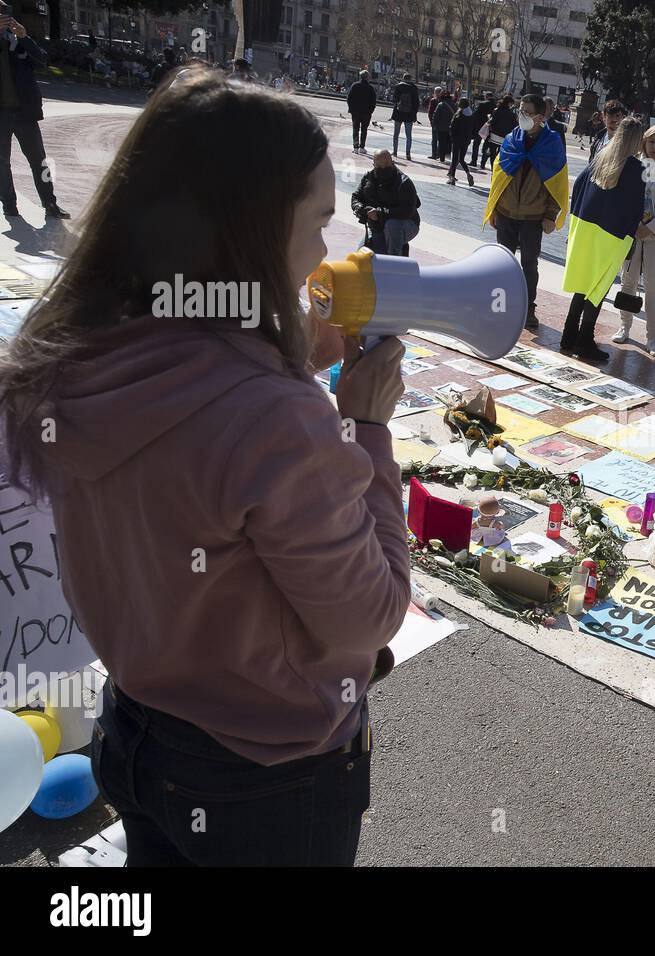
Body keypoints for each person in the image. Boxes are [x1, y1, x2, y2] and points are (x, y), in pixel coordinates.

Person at [0, 68, 407, 866]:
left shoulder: (74, 351)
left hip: (142, 729)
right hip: (268, 777)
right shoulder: (274, 418)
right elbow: (370, 613)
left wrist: (278, 356)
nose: (326, 251)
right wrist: (364, 425)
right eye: (319, 222)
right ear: (252, 230)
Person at [561, 116, 646, 364]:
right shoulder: (637, 168)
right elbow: (637, 207)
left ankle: (568, 335)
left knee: (582, 284)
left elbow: (578, 185)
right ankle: (585, 339)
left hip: (585, 227)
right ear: (637, 140)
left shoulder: (602, 157)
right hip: (612, 234)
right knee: (598, 289)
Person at [484, 93, 567, 330]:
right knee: (502, 264)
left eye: (527, 113)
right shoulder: (511, 139)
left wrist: (551, 214)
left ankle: (528, 309)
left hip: (533, 216)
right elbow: (499, 175)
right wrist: (494, 208)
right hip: (507, 212)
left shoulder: (552, 144)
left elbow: (557, 182)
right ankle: (498, 307)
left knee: (529, 264)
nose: (522, 116)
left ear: (541, 117)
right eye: (520, 111)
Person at [614, 124, 655, 358]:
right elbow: (625, 197)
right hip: (633, 232)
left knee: (653, 287)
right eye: (652, 142)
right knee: (628, 282)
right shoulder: (634, 164)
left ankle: (652, 338)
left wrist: (650, 228)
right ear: (644, 142)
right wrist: (635, 225)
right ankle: (624, 326)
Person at [0, 13, 69, 219]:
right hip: (1, 114)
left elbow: (42, 60)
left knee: (39, 161)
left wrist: (24, 36)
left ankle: (50, 204)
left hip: (25, 113)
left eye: (5, 12)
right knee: (2, 163)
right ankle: (9, 206)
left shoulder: (18, 41)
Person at [351, 149, 421, 255]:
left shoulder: (404, 182)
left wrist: (380, 213)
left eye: (386, 164)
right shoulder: (368, 178)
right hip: (377, 225)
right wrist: (361, 209)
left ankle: (395, 259)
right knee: (362, 255)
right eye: (379, 165)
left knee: (392, 225)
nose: (383, 168)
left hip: (406, 223)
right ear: (374, 164)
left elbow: (407, 211)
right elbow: (356, 198)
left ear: (392, 162)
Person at [446, 96, 477, 187]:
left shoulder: (459, 114)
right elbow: (474, 128)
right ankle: (468, 174)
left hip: (457, 139)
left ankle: (452, 178)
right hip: (466, 140)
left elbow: (452, 127)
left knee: (454, 159)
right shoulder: (471, 114)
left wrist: (451, 136)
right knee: (461, 159)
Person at [389, 72, 419, 161]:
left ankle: (395, 151)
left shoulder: (398, 86)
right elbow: (416, 103)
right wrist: (414, 115)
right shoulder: (414, 88)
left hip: (398, 113)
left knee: (396, 134)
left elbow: (394, 100)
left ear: (403, 78)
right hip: (409, 114)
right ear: (410, 79)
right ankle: (408, 154)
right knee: (408, 135)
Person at [347, 69, 377, 154]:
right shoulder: (370, 88)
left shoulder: (355, 85)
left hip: (355, 112)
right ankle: (362, 147)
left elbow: (349, 99)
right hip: (366, 113)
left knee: (355, 129)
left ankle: (355, 147)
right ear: (367, 78)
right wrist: (371, 111)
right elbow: (373, 102)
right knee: (364, 130)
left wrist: (351, 109)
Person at [483, 93, 517, 169]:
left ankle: (492, 167)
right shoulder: (511, 114)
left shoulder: (497, 110)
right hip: (504, 137)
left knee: (492, 153)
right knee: (500, 155)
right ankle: (496, 167)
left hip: (494, 135)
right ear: (509, 103)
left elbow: (492, 122)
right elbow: (514, 126)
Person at [470, 94, 494, 168]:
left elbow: (475, 115)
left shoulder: (482, 104)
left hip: (480, 127)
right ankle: (483, 163)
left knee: (476, 144)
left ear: (487, 97)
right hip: (491, 129)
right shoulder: (496, 106)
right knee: (487, 146)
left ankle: (474, 161)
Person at [431, 87, 453, 161]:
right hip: (450, 128)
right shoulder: (454, 105)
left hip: (441, 127)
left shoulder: (440, 104)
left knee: (441, 142)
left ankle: (442, 157)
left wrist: (434, 125)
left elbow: (435, 115)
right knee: (447, 142)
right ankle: (446, 156)